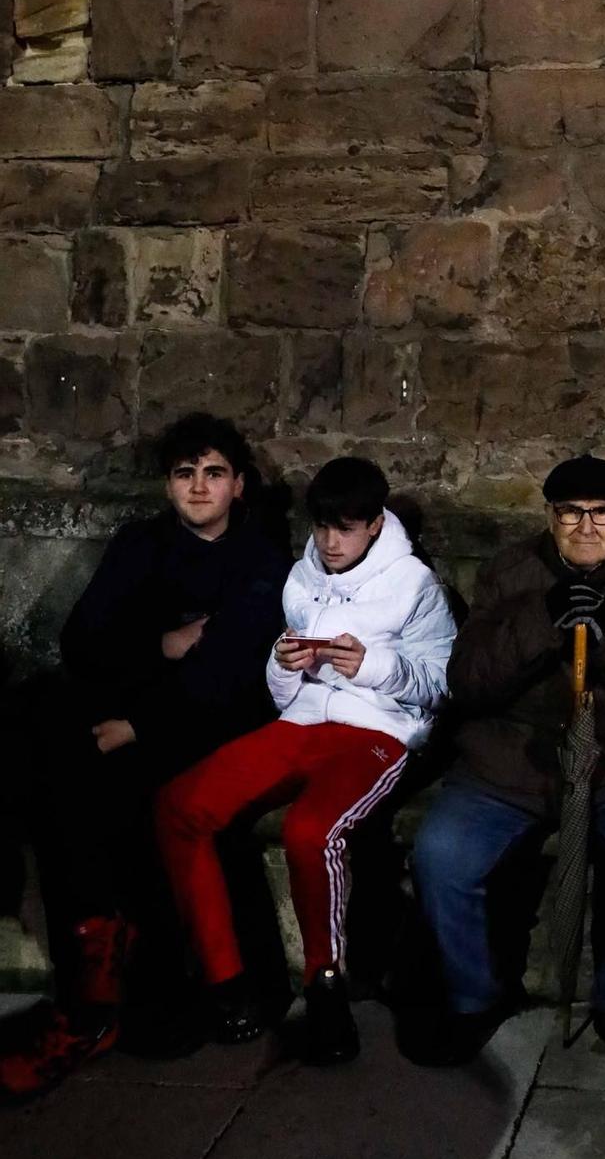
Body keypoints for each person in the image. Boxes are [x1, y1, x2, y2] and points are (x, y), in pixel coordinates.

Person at [0, 413, 288, 1100]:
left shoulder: (260, 561)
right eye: (185, 473)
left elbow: (229, 674)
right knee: (41, 726)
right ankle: (98, 968)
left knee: (106, 788)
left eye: (213, 473)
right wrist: (162, 643)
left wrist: (138, 719)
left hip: (202, 726)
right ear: (167, 483)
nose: (198, 486)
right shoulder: (141, 544)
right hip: (121, 709)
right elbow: (83, 642)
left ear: (237, 485)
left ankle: (115, 993)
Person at [410, 455, 605, 1082]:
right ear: (549, 517)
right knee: (441, 853)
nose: (586, 527)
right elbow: (467, 682)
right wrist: (539, 621)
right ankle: (473, 997)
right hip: (511, 764)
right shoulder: (509, 574)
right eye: (571, 512)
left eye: (602, 513)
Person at [156, 456, 453, 1067]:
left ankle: (326, 988)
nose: (330, 542)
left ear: (374, 524)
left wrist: (370, 665)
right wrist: (282, 664)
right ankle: (227, 982)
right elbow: (285, 693)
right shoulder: (301, 577)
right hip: (300, 723)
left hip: (377, 733)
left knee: (310, 831)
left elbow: (441, 685)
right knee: (180, 805)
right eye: (321, 527)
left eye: (345, 528)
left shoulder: (414, 584)